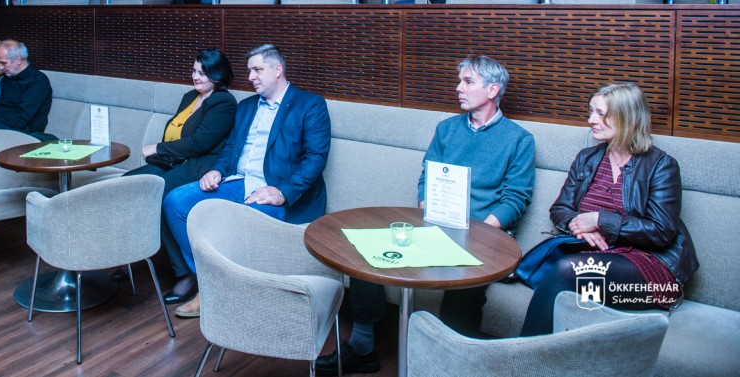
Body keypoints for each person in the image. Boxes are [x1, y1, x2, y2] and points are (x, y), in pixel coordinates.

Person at [317, 56, 535, 375]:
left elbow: (516, 198)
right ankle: (362, 347)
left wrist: (481, 230)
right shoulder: (447, 129)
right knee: (366, 253)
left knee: (464, 289)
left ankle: (451, 364)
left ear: (492, 90)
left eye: (468, 82)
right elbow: (427, 176)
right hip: (436, 223)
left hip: (484, 236)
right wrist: (425, 206)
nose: (458, 88)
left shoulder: (518, 139)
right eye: (459, 80)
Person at [163, 44, 332, 318]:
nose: (250, 76)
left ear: (277, 70)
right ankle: (209, 282)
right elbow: (231, 148)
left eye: (257, 70)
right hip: (240, 182)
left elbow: (315, 158)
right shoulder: (246, 106)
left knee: (239, 221)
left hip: (276, 189)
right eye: (249, 70)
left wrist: (283, 191)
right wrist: (217, 170)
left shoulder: (309, 105)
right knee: (176, 201)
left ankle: (227, 291)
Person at [518, 83, 697, 336]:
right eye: (591, 112)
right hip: (595, 256)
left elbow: (661, 231)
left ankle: (522, 353)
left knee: (567, 269)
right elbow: (560, 209)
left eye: (601, 114)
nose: (591, 120)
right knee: (567, 273)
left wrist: (600, 220)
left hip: (651, 270)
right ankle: (533, 353)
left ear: (626, 118)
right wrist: (579, 226)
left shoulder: (661, 165)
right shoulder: (587, 158)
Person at [124, 49, 238, 305]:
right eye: (194, 71)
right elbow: (178, 133)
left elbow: (200, 143)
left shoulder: (224, 102)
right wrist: (164, 152)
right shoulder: (189, 96)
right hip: (174, 161)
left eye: (203, 73)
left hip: (200, 165)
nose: (196, 77)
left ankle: (185, 274)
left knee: (159, 194)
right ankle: (129, 256)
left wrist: (158, 148)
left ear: (218, 76)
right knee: (128, 185)